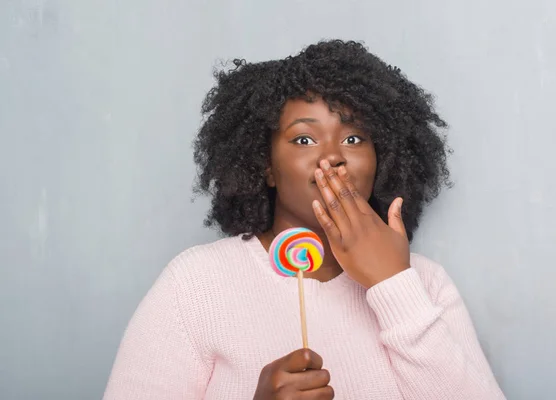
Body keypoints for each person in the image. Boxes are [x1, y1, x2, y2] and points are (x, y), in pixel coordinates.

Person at [103, 40, 505, 399]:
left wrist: (393, 284)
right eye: (303, 139)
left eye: (353, 138)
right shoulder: (194, 284)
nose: (331, 156)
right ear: (266, 167)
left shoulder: (425, 284)